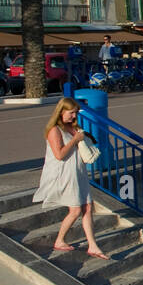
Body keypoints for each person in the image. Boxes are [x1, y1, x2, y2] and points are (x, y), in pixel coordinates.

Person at [33, 97, 108, 260]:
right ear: (61, 112)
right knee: (75, 210)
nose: (74, 116)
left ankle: (92, 245)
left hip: (78, 172)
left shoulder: (73, 128)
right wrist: (75, 139)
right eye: (71, 113)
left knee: (87, 207)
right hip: (65, 173)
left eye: (75, 113)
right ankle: (60, 240)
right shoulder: (54, 130)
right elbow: (59, 155)